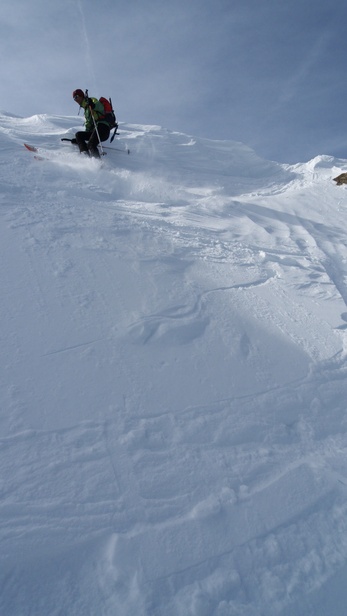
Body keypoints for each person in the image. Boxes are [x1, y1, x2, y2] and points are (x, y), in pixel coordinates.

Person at [72, 89, 111, 158]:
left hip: (102, 127)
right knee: (78, 135)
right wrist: (80, 141)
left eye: (76, 97)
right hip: (96, 130)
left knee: (91, 144)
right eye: (74, 98)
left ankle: (98, 163)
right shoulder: (86, 109)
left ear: (81, 96)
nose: (75, 100)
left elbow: (101, 108)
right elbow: (88, 126)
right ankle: (85, 155)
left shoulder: (91, 100)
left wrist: (93, 105)